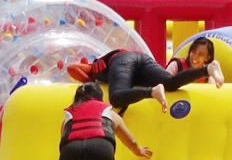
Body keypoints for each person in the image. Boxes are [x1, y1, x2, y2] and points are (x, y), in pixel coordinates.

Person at [71, 46, 223, 113]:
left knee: (116, 98)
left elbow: (72, 69)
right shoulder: (120, 74)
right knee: (170, 82)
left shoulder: (94, 67)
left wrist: (87, 80)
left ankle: (152, 92)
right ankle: (208, 69)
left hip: (122, 60)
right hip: (142, 59)